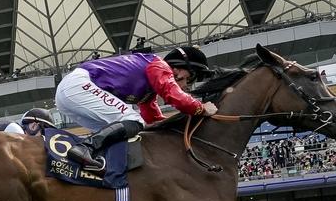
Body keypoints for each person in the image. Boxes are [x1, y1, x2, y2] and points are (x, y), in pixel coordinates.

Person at [55, 45, 218, 170]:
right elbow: (174, 96)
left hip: (69, 94)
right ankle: (85, 148)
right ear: (177, 69)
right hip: (78, 86)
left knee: (124, 130)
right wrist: (201, 108)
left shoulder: (148, 92)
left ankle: (99, 163)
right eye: (190, 79)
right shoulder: (160, 66)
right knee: (132, 119)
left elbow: (154, 121)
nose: (188, 86)